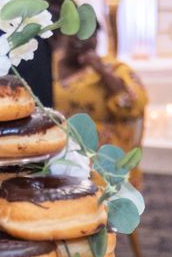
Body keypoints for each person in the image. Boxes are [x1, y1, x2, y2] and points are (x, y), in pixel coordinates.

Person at [51, 30, 148, 165]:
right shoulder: (49, 66)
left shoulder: (114, 68)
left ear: (96, 38)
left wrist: (101, 71)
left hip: (101, 159)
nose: (80, 40)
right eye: (73, 35)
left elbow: (133, 105)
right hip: (54, 150)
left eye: (88, 34)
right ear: (62, 38)